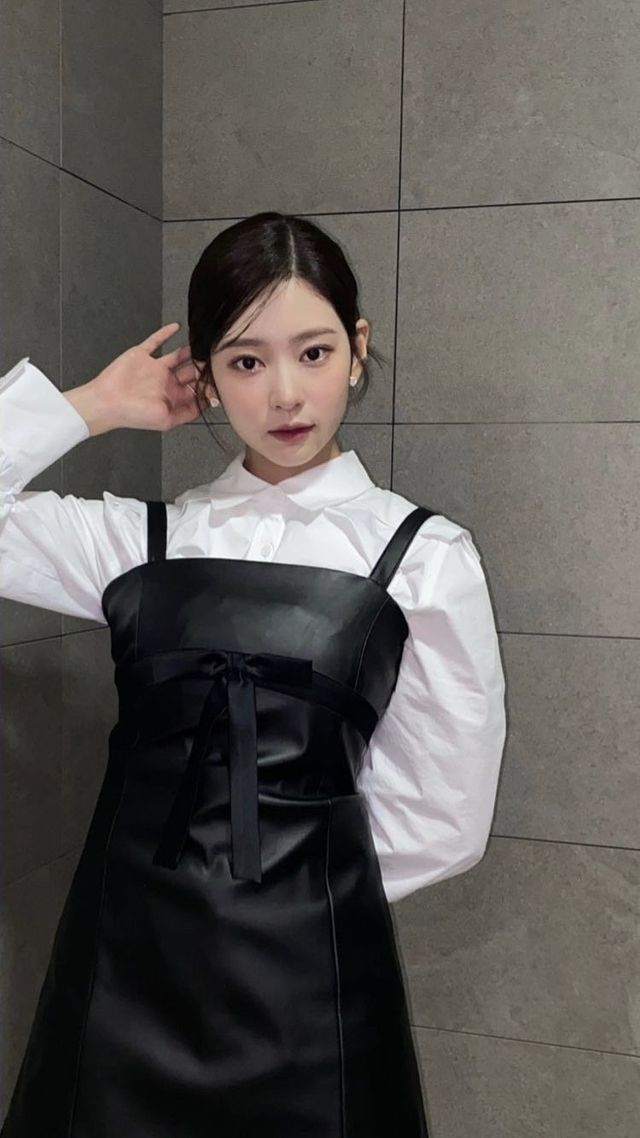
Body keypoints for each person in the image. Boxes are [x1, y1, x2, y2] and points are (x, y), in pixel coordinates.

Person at [0, 212, 507, 1137]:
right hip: (122, 977)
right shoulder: (144, 541)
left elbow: (448, 814)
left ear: (357, 349)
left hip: (312, 987)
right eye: (244, 360)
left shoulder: (423, 557)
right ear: (203, 374)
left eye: (314, 353)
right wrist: (92, 406)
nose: (284, 393)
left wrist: (291, 890)